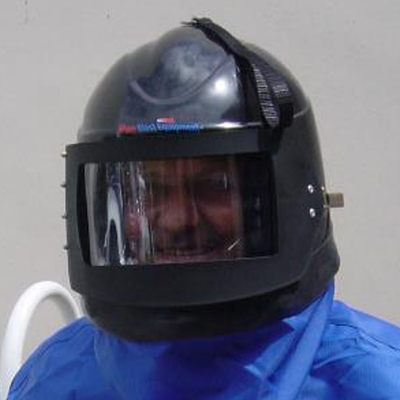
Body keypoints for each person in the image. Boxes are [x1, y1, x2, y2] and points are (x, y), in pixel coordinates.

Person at [6, 18, 400, 400]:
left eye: (215, 186)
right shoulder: (56, 381)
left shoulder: (375, 383)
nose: (178, 218)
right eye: (150, 190)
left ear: (290, 198)